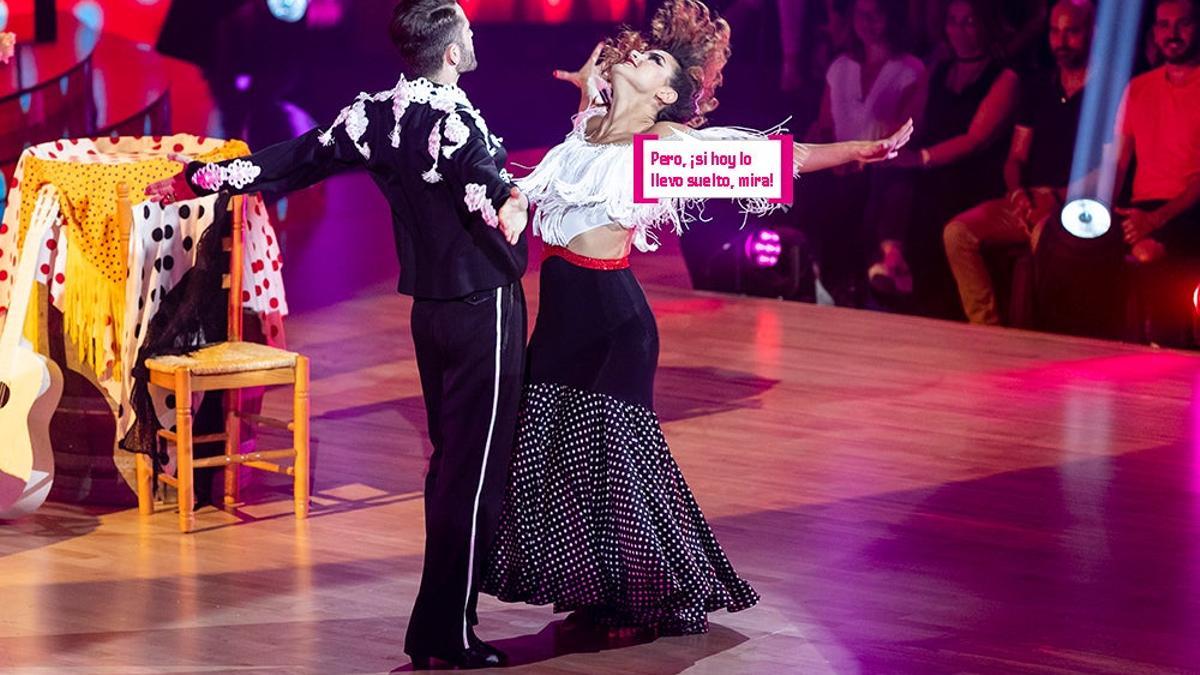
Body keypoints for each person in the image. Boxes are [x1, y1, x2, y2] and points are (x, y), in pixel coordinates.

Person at [482, 0, 912, 638]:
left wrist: (856, 149)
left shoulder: (663, 146)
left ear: (665, 95)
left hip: (611, 324)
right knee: (563, 461)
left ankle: (653, 598)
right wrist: (586, 86)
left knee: (620, 471)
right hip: (563, 319)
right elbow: (562, 175)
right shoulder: (589, 129)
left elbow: (771, 160)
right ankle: (600, 589)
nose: (637, 57)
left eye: (653, 60)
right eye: (642, 51)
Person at [146, 0, 528, 668]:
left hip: (429, 313)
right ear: (447, 52)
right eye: (466, 31)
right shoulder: (456, 120)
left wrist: (206, 177)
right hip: (482, 307)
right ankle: (452, 633)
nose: (473, 38)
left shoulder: (374, 114)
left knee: (449, 468)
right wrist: (523, 199)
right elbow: (497, 201)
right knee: (471, 475)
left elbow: (295, 160)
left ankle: (434, 628)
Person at [942, 0, 1094, 325]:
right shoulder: (1039, 86)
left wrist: (1054, 197)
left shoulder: (1106, 94)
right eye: (1054, 31)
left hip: (1074, 205)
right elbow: (1015, 158)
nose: (1061, 41)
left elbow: (1108, 170)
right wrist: (1018, 195)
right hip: (1027, 200)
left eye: (1072, 32)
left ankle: (1048, 335)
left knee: (1045, 238)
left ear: (1092, 32)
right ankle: (986, 328)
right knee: (957, 233)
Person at [890, 0, 1019, 315]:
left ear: (986, 26)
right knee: (895, 187)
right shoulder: (940, 71)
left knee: (930, 199)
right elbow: (913, 119)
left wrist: (920, 158)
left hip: (972, 182)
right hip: (932, 178)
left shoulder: (1005, 77)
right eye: (953, 21)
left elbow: (976, 139)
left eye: (969, 22)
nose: (959, 30)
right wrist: (887, 147)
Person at [805, 0, 925, 305]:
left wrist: (862, 158)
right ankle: (819, 275)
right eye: (862, 15)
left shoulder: (910, 69)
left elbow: (907, 130)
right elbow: (825, 126)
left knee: (875, 188)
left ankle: (882, 265)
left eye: (877, 16)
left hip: (879, 168)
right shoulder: (840, 66)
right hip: (837, 167)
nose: (868, 23)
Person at [1110, 0, 1200, 343]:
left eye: (1183, 24)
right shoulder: (1139, 87)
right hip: (1140, 209)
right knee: (1068, 241)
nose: (1172, 34)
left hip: (1187, 210)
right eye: (1163, 25)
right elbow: (1118, 163)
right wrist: (1099, 210)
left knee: (1147, 252)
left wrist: (1156, 220)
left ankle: (1164, 351)